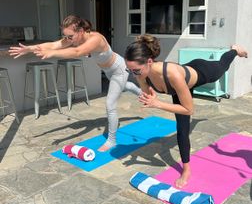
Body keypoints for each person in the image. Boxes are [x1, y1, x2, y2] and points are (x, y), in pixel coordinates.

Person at [124, 34, 248, 188]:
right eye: (129, 70)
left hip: (201, 71)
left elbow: (189, 109)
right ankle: (186, 169)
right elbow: (148, 94)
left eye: (135, 70)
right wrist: (150, 96)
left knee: (222, 66)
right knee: (182, 129)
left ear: (149, 62)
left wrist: (158, 104)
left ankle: (235, 51)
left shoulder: (172, 74)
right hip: (180, 85)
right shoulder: (141, 74)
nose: (133, 74)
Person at [9, 15, 141, 151]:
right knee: (124, 86)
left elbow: (77, 52)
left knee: (110, 103)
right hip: (108, 71)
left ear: (81, 31)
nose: (69, 40)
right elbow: (54, 44)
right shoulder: (73, 37)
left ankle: (112, 140)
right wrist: (29, 49)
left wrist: (52, 53)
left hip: (119, 70)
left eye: (70, 36)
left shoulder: (96, 39)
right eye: (66, 36)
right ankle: (140, 92)